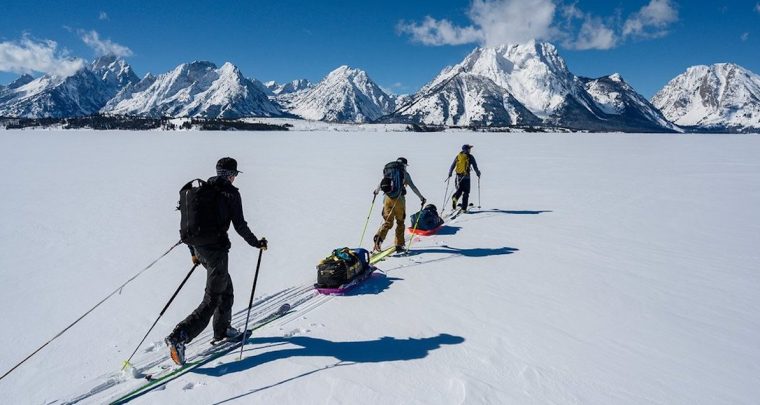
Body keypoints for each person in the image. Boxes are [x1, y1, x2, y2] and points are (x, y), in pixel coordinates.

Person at [165, 157, 267, 365]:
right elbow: (239, 225)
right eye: (235, 174)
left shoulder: (203, 190)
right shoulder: (230, 193)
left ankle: (222, 330)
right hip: (216, 251)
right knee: (212, 298)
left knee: (225, 289)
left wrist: (193, 252)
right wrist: (257, 243)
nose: (235, 178)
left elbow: (190, 226)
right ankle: (179, 336)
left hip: (201, 250)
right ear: (230, 175)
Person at [372, 157, 426, 254]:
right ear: (404, 165)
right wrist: (421, 197)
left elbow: (381, 184)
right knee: (400, 222)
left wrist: (376, 192)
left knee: (388, 222)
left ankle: (379, 239)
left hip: (387, 199)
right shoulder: (404, 174)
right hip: (399, 200)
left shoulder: (389, 172)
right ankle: (399, 244)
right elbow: (413, 187)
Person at [448, 144, 481, 213]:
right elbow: (475, 166)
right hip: (466, 177)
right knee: (466, 192)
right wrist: (478, 173)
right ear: (466, 150)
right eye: (469, 148)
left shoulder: (458, 156)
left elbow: (453, 165)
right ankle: (463, 208)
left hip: (458, 176)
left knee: (460, 189)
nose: (470, 150)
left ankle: (455, 198)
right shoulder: (470, 157)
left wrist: (450, 173)